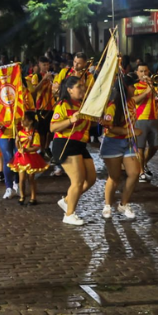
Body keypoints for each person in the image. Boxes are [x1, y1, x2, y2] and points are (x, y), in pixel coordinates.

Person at [50, 76, 95, 226]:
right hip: (66, 143)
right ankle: (69, 214)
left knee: (91, 179)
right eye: (78, 87)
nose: (82, 89)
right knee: (77, 181)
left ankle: (67, 201)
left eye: (83, 86)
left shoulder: (83, 104)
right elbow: (53, 127)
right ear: (69, 90)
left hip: (80, 144)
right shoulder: (62, 105)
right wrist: (70, 120)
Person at [100, 77, 142, 220]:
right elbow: (109, 127)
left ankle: (124, 204)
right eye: (132, 87)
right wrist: (130, 132)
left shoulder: (131, 102)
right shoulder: (113, 106)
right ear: (124, 89)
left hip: (129, 143)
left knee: (135, 173)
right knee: (114, 177)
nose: (134, 89)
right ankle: (107, 205)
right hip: (113, 143)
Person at [9, 112, 48, 205]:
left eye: (25, 119)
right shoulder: (20, 132)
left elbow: (37, 146)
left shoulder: (35, 133)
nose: (22, 121)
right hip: (21, 158)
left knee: (31, 179)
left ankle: (33, 197)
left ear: (30, 122)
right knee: (21, 179)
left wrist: (26, 149)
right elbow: (18, 146)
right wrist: (17, 142)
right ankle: (22, 196)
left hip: (31, 158)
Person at [134, 62, 158, 181]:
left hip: (154, 118)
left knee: (155, 145)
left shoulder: (153, 85)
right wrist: (146, 92)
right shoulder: (135, 86)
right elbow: (135, 101)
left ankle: (143, 163)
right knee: (140, 147)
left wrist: (157, 86)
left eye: (146, 71)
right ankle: (141, 172)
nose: (144, 73)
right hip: (140, 119)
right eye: (141, 71)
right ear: (137, 73)